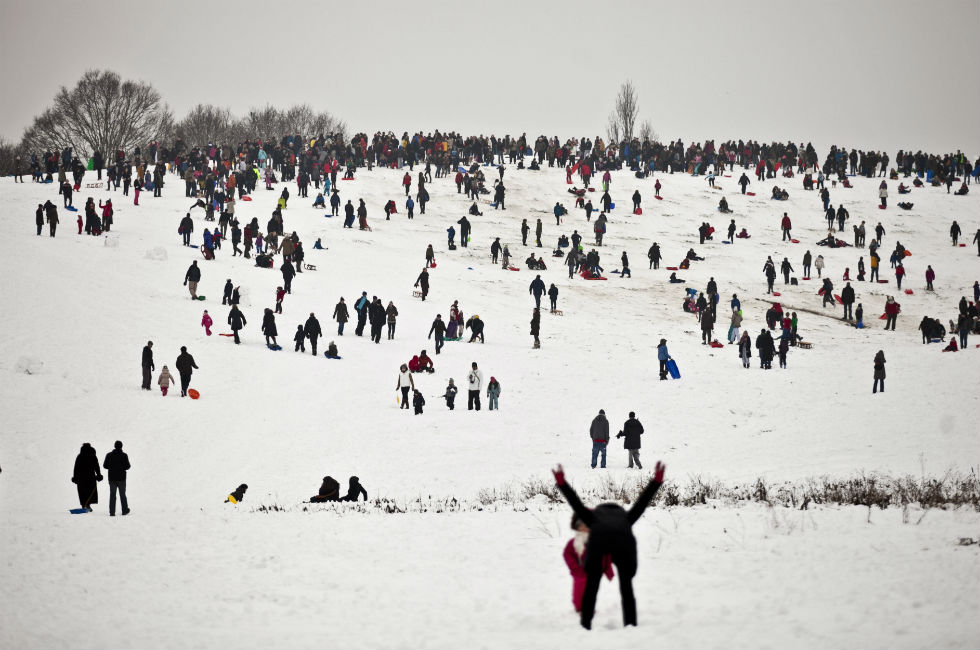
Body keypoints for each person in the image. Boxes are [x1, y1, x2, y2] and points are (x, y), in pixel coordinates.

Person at [552, 461, 666, 629]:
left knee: (591, 586)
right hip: (624, 544)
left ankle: (585, 624)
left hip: (599, 542)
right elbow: (641, 504)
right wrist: (656, 481)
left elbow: (576, 504)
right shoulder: (625, 518)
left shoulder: (594, 517)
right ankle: (630, 624)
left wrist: (562, 483)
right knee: (626, 588)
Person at [564, 514, 614, 614]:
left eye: (586, 526)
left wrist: (608, 570)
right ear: (577, 527)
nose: (583, 528)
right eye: (581, 526)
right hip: (580, 572)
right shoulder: (573, 542)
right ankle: (579, 607)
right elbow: (567, 555)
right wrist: (575, 567)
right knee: (579, 591)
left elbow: (606, 556)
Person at [102, 441, 131, 516]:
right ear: (121, 446)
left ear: (114, 446)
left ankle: (112, 512)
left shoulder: (109, 455)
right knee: (122, 495)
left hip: (112, 478)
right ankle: (124, 510)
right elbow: (128, 466)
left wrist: (112, 467)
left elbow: (105, 466)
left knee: (112, 495)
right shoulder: (124, 455)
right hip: (122, 478)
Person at [72, 442, 103, 510]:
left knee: (82, 492)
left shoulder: (79, 456)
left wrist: (75, 477)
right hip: (90, 477)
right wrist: (98, 475)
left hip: (81, 477)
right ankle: (88, 505)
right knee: (90, 491)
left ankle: (84, 505)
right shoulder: (93, 455)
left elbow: (76, 468)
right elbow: (96, 466)